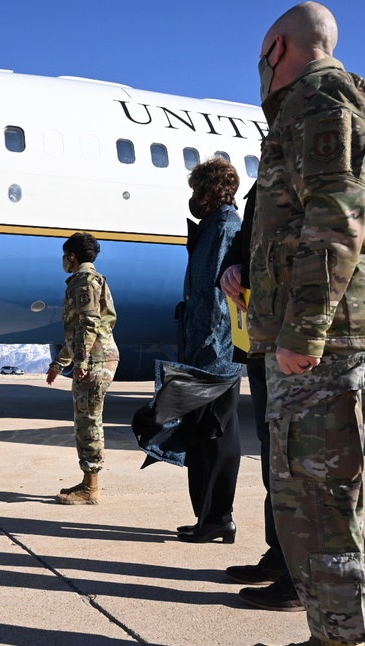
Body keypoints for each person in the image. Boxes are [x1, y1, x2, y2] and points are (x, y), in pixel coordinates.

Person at [245, 4, 365, 646]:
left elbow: (338, 214)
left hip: (328, 336)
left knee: (318, 498)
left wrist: (304, 328)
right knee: (309, 495)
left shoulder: (319, 95)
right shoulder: (314, 104)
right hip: (325, 331)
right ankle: (337, 638)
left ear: (278, 47)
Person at [132, 157, 243, 543]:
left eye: (197, 189)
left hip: (216, 354)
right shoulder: (211, 227)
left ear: (211, 189)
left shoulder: (227, 227)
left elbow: (218, 300)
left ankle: (218, 517)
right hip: (200, 346)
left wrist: (208, 356)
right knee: (199, 433)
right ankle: (207, 516)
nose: (193, 197)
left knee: (216, 433)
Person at [220, 185, 303, 612]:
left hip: (293, 333)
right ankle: (281, 556)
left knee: (296, 461)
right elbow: (249, 235)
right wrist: (232, 265)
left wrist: (306, 331)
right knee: (275, 456)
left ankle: (301, 576)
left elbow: (332, 238)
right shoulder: (271, 169)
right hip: (263, 329)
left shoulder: (311, 141)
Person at [46, 232, 119, 505]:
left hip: (96, 360)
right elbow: (79, 332)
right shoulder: (96, 280)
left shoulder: (83, 281)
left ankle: (91, 489)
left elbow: (87, 324)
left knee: (88, 422)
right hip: (100, 355)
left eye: (66, 255)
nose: (64, 260)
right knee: (87, 419)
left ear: (73, 256)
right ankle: (89, 481)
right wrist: (59, 365)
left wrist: (83, 361)